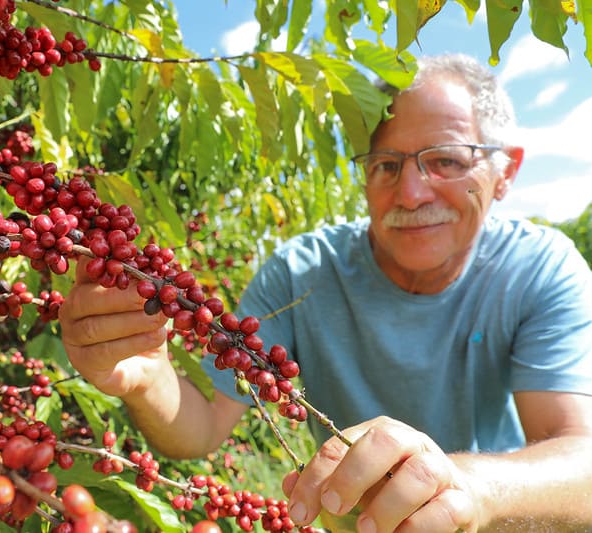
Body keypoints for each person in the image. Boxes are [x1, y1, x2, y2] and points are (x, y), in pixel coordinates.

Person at [58, 53, 592, 532]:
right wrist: (148, 377)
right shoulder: (301, 272)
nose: (410, 192)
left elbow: (581, 463)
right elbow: (200, 428)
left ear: (505, 173)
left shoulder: (538, 270)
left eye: (447, 160)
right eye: (386, 165)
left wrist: (468, 488)